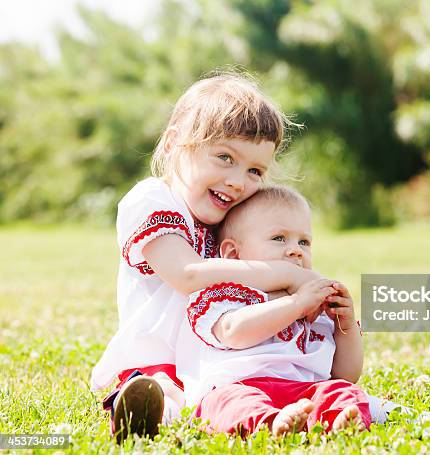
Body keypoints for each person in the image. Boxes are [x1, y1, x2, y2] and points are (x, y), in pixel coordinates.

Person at [90, 73, 323, 443]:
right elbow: (186, 273)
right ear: (173, 144)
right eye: (225, 157)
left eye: (254, 171)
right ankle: (142, 413)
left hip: (218, 361)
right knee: (164, 391)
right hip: (158, 358)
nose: (237, 181)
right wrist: (283, 273)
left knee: (239, 395)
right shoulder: (153, 200)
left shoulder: (231, 222)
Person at [176, 185, 371, 435]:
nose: (296, 250)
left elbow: (345, 374)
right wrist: (295, 305)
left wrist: (344, 324)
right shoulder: (224, 295)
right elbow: (233, 332)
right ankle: (268, 424)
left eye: (304, 241)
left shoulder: (314, 302)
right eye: (279, 238)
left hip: (302, 391)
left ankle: (338, 421)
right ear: (233, 254)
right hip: (240, 386)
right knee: (228, 403)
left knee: (345, 392)